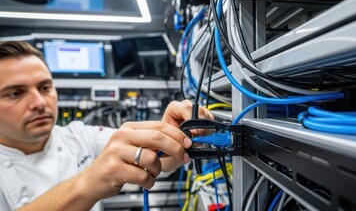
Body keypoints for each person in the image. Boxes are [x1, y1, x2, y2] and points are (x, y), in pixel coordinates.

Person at [0, 41, 214, 210]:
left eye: (45, 87)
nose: (39, 102)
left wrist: (171, 135)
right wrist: (88, 183)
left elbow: (152, 158)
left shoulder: (79, 136)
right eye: (15, 93)